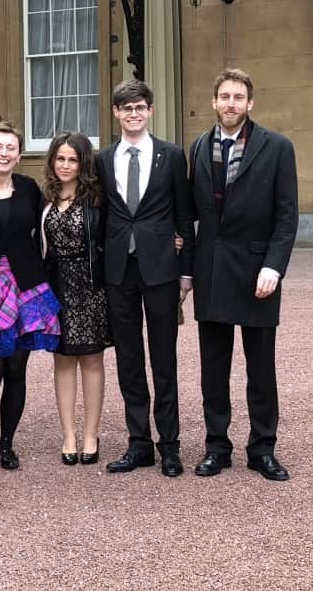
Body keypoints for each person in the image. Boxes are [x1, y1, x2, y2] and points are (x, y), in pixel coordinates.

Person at [188, 68, 298, 481]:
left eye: (238, 97)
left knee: (260, 367)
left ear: (250, 103)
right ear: (214, 102)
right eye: (224, 96)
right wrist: (185, 270)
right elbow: (190, 214)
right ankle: (217, 447)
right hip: (212, 270)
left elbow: (287, 216)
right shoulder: (198, 147)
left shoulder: (278, 147)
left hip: (258, 272)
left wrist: (274, 265)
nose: (231, 103)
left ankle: (262, 448)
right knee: (213, 369)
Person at [95, 80, 195, 477]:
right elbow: (101, 214)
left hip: (161, 269)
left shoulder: (171, 155)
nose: (133, 114)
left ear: (150, 110)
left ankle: (169, 445)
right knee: (129, 359)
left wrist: (186, 269)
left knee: (163, 358)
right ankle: (139, 444)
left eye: (139, 107)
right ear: (116, 113)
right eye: (125, 108)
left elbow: (185, 215)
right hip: (119, 268)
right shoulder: (103, 159)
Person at [0, 121, 60, 473]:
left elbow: (50, 227)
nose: (3, 153)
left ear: (19, 156)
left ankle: (7, 444)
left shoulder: (30, 189)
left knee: (16, 369)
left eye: (10, 148)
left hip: (25, 289)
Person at [40, 131, 111, 466]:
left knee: (93, 361)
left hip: (91, 285)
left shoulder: (97, 198)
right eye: (60, 158)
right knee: (63, 360)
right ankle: (68, 433)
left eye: (73, 159)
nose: (66, 165)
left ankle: (90, 434)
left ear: (83, 163)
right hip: (56, 285)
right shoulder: (45, 197)